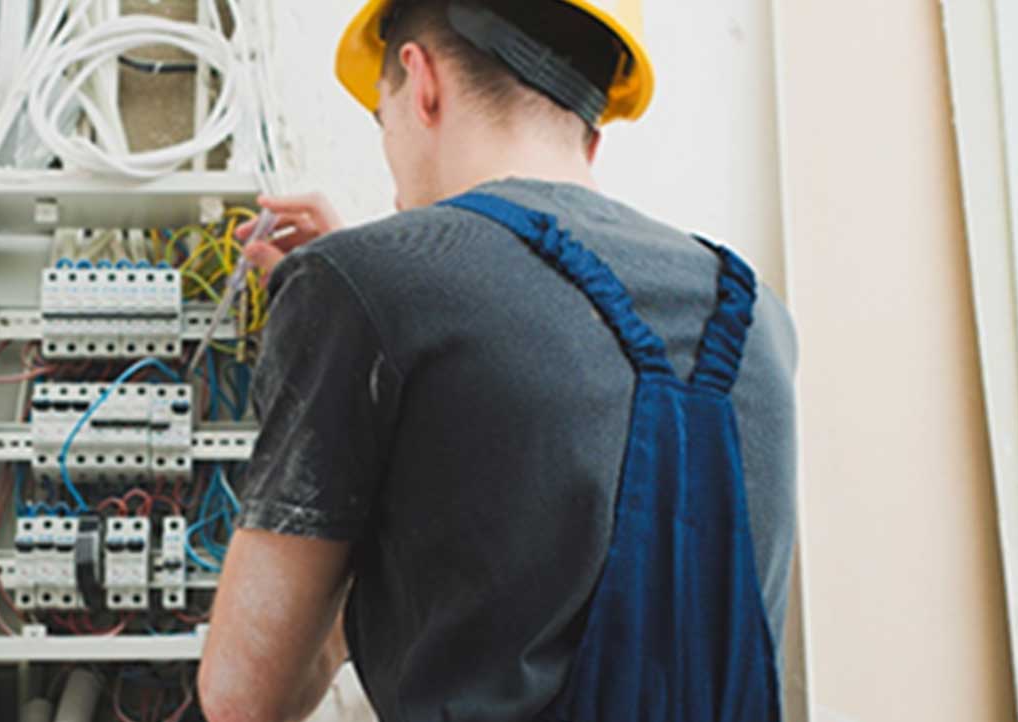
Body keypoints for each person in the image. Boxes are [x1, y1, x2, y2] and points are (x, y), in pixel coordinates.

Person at [199, 1, 797, 720]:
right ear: (592, 132)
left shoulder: (360, 286)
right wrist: (373, 307)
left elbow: (245, 700)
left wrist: (353, 302)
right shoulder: (756, 312)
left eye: (380, 118)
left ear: (420, 83)